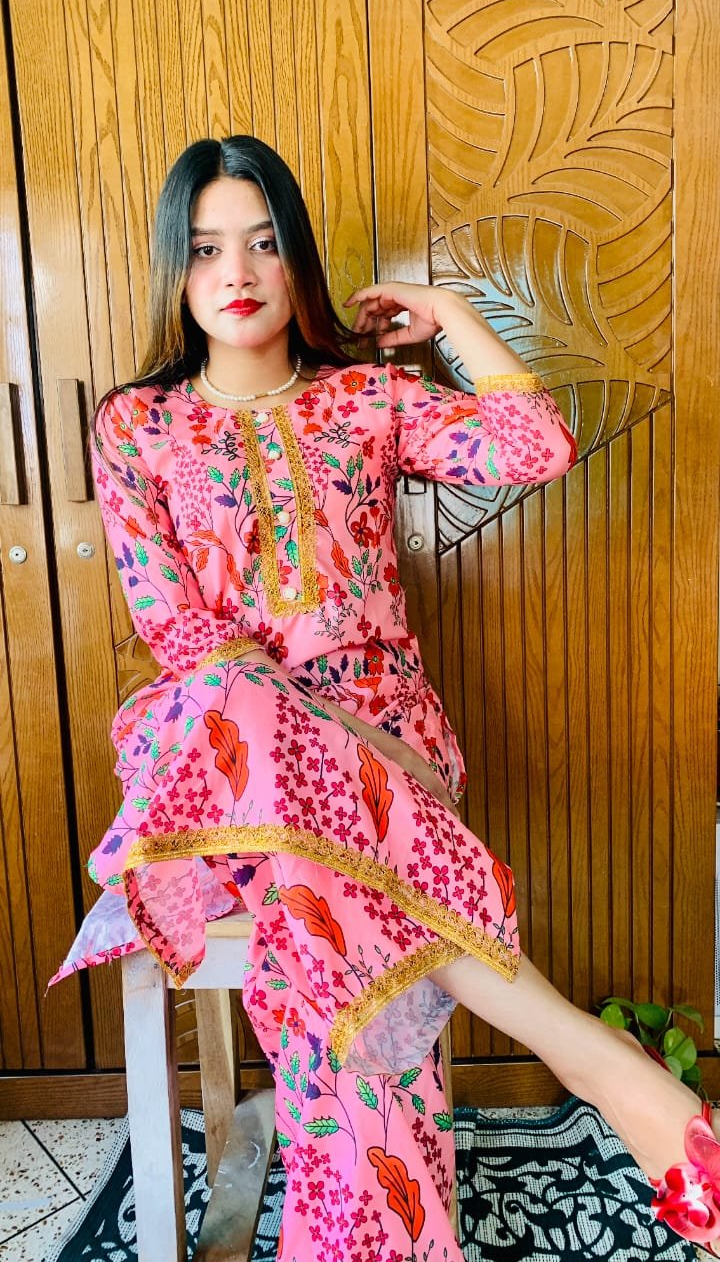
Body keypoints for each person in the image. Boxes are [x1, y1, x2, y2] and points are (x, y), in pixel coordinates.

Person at [56, 135, 719, 1260]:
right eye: (207, 247)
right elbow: (176, 627)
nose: (237, 270)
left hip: (388, 747)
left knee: (335, 920)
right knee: (238, 693)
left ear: (298, 259)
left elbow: (538, 445)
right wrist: (316, 736)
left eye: (264, 241)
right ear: (177, 266)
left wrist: (449, 315)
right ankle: (597, 1061)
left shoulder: (366, 399)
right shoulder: (138, 424)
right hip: (222, 757)